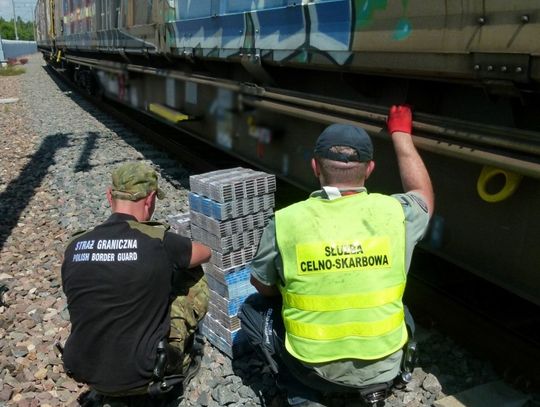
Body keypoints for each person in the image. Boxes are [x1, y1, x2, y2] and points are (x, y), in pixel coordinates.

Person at [239, 105, 434, 406]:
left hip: (311, 369)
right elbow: (423, 194)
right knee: (399, 307)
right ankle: (377, 386)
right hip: (384, 366)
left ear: (316, 166)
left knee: (252, 308)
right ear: (369, 169)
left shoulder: (285, 221)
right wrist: (401, 135)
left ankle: (302, 393)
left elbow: (261, 286)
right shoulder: (397, 213)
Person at [61, 162, 211, 399]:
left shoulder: (75, 245)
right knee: (193, 274)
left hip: (84, 370)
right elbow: (205, 252)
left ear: (109, 195)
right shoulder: (158, 240)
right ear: (150, 198)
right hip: (144, 376)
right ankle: (180, 360)